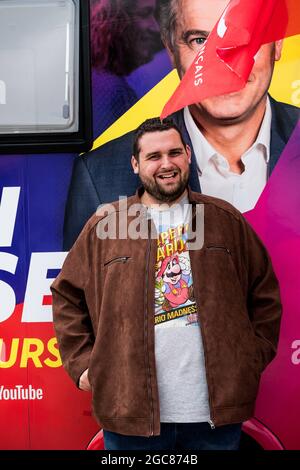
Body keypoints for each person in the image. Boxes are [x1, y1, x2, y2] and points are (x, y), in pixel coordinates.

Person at [51, 118, 281, 451]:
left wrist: (248, 359)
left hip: (214, 419)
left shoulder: (224, 220)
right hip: (129, 414)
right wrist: (84, 365)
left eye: (174, 152)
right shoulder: (109, 223)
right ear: (135, 164)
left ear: (188, 154)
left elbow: (265, 294)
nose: (166, 164)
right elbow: (66, 294)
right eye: (154, 156)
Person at [63, 0, 300, 250]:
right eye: (200, 41)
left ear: (277, 43)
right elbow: (82, 287)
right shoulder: (100, 177)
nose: (226, 63)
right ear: (170, 49)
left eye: (246, 37)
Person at [91, 0, 163, 137]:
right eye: (144, 14)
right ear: (117, 22)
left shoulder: (92, 80)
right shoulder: (116, 92)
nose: (155, 28)